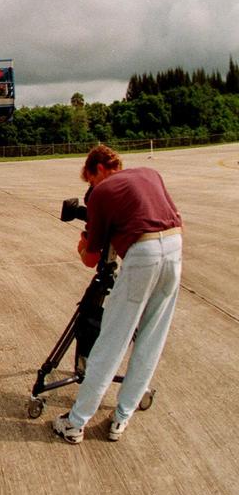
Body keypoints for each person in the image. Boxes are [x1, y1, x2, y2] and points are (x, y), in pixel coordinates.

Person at [51, 144, 183, 445]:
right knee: (151, 338)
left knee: (111, 341)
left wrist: (83, 244)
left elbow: (91, 258)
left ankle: (75, 422)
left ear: (97, 169)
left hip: (143, 255)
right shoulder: (150, 174)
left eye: (89, 180)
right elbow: (177, 219)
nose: (91, 189)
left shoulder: (101, 192)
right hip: (174, 248)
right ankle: (121, 418)